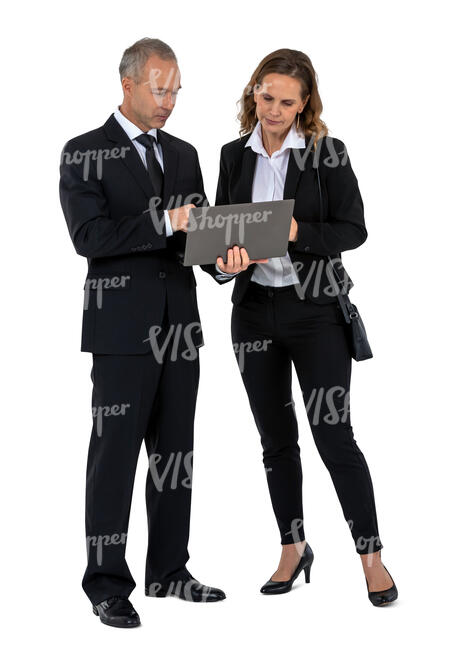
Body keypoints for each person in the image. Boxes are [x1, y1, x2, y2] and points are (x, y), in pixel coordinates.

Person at [206, 48, 398, 606]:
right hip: (253, 312)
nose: (275, 109)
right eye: (267, 97)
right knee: (276, 441)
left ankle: (372, 557)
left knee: (333, 436)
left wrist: (294, 230)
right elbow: (222, 233)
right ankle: (293, 548)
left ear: (304, 104)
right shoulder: (232, 155)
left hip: (315, 312)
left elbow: (353, 229)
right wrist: (224, 261)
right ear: (254, 92)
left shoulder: (327, 153)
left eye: (288, 101)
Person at [59, 37, 226, 628]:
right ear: (127, 83)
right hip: (123, 332)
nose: (169, 101)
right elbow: (90, 238)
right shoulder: (84, 152)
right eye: (160, 89)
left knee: (174, 455)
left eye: (176, 90)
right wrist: (162, 220)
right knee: (114, 457)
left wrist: (221, 262)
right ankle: (106, 583)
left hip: (181, 327)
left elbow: (197, 235)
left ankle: (169, 570)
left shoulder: (183, 154)